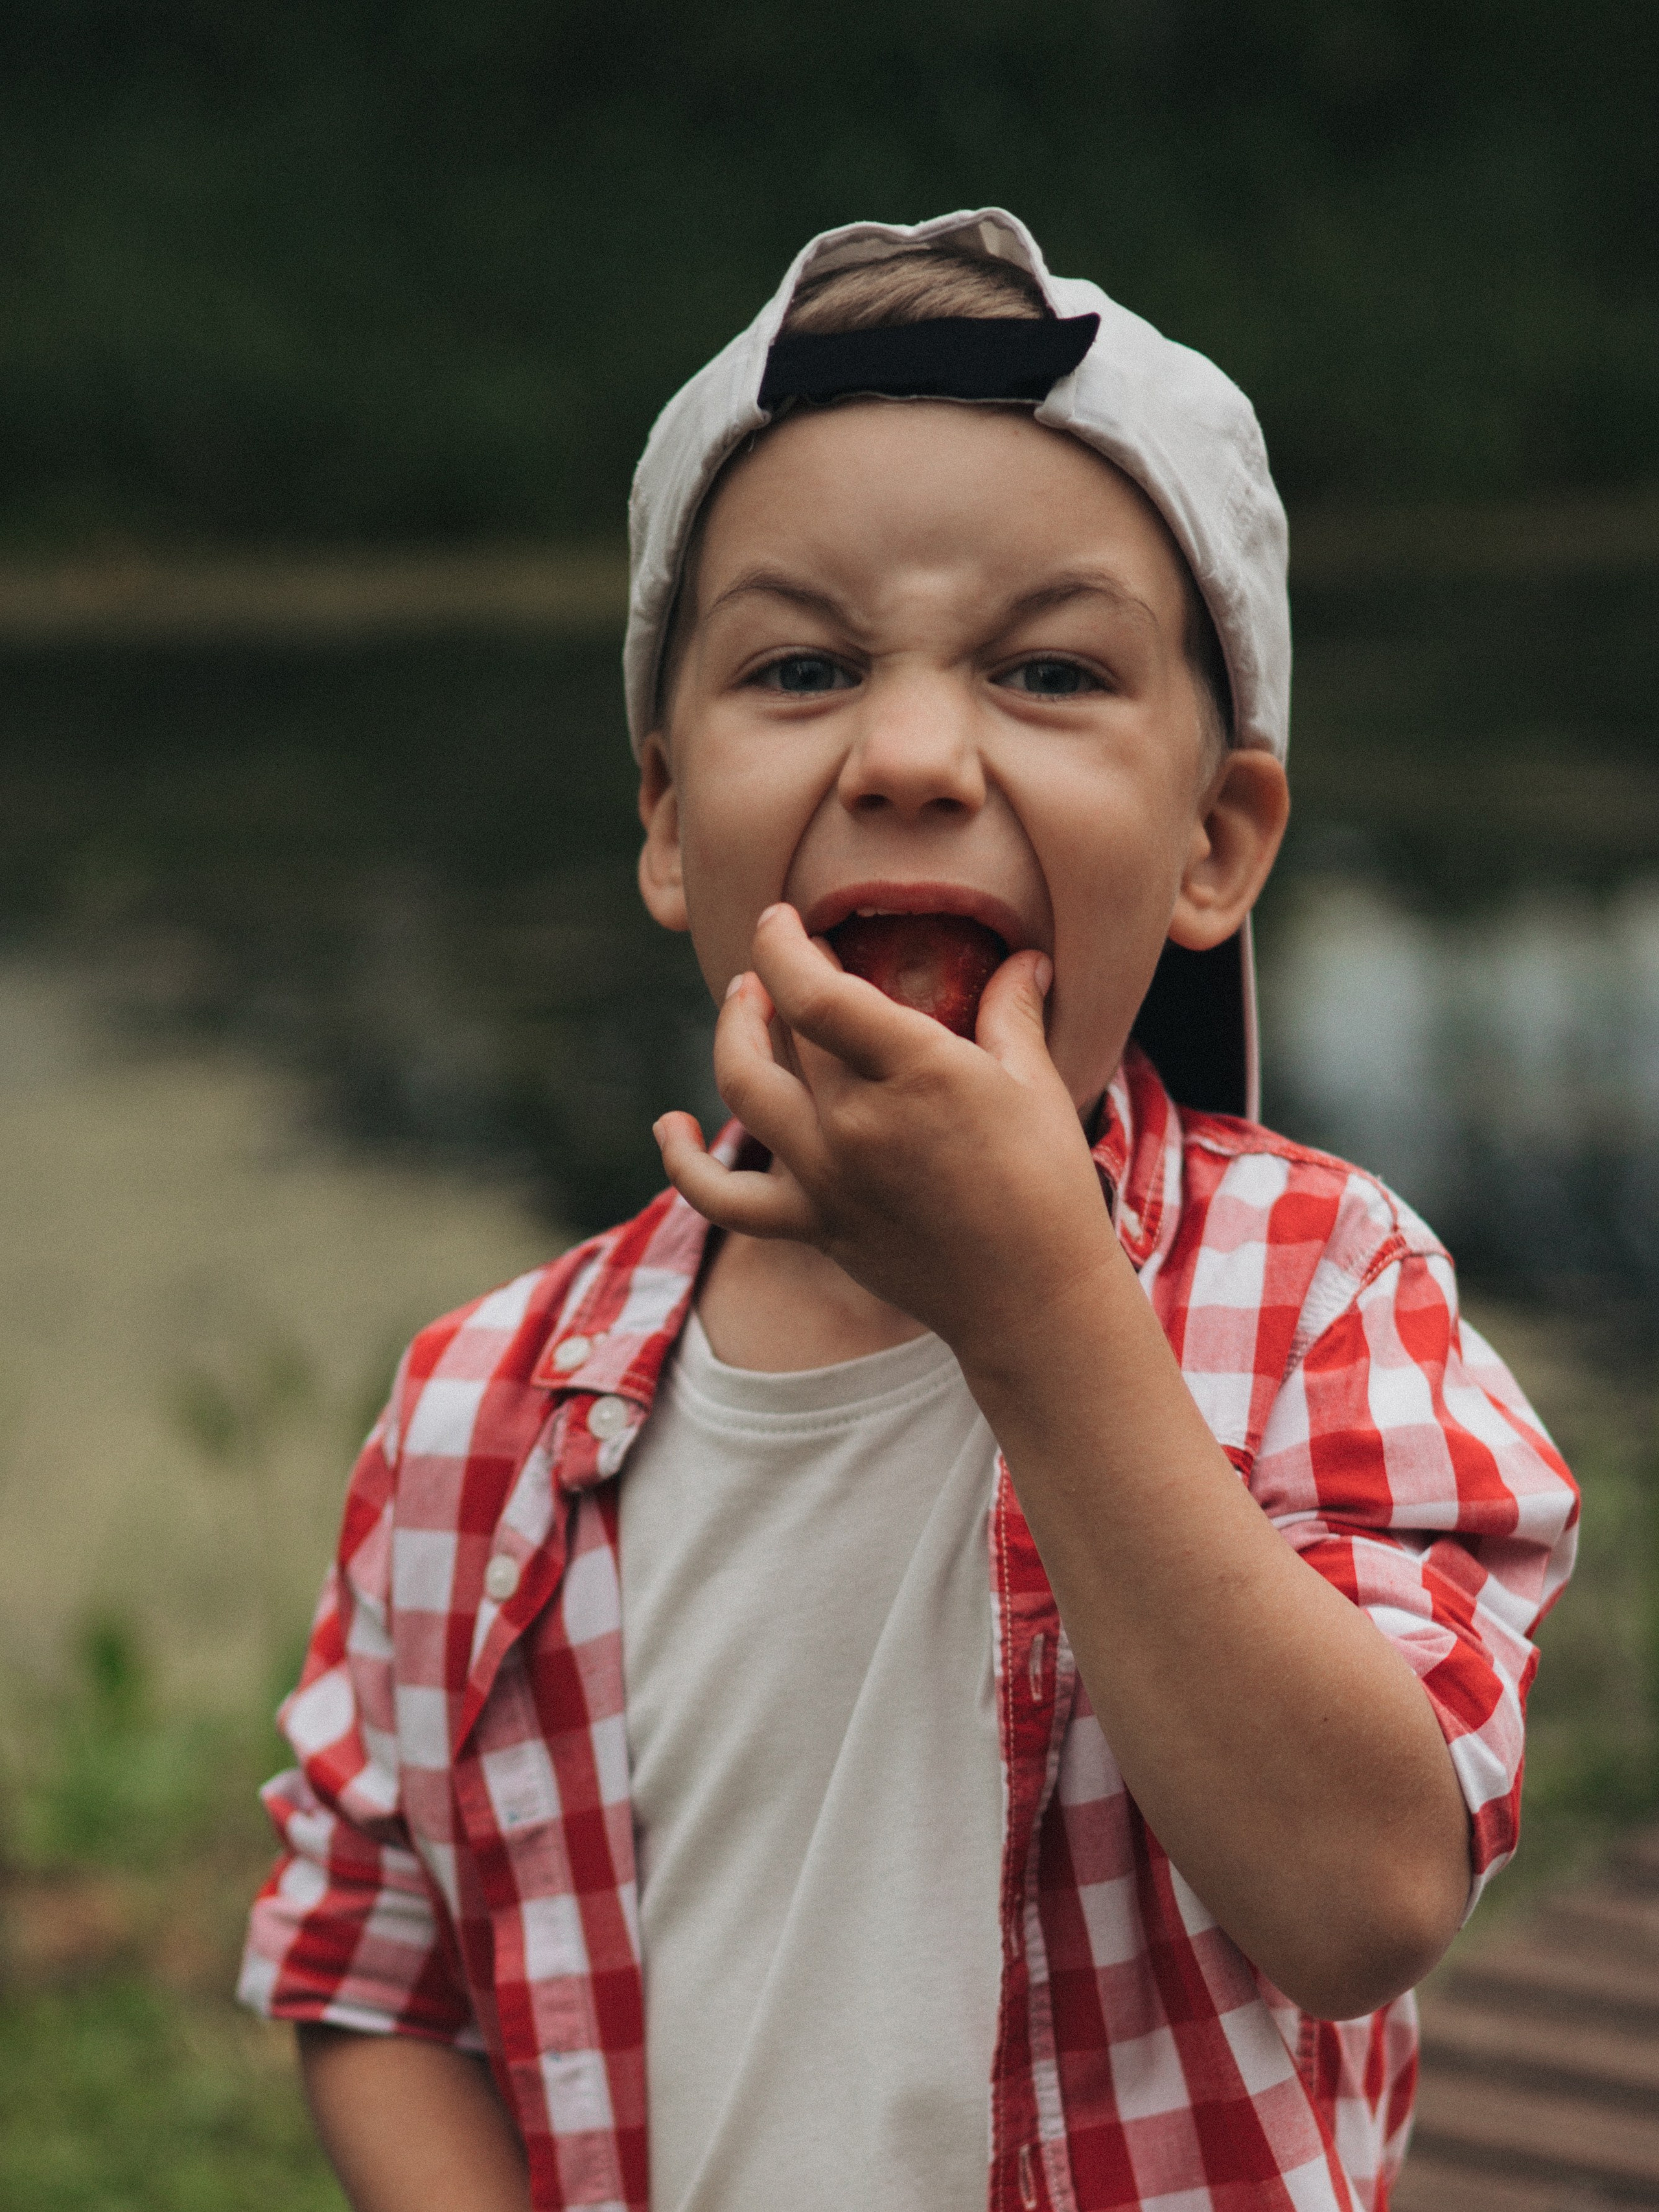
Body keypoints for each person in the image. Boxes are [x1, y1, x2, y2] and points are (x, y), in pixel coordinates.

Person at [239, 210, 1579, 2212]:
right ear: (675, 826)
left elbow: (1367, 1894)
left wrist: (1040, 1306)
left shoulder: (1319, 1294)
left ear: (1217, 844)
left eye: (1046, 670)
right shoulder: (474, 1423)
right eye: (802, 665)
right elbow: (370, 1964)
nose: (915, 754)